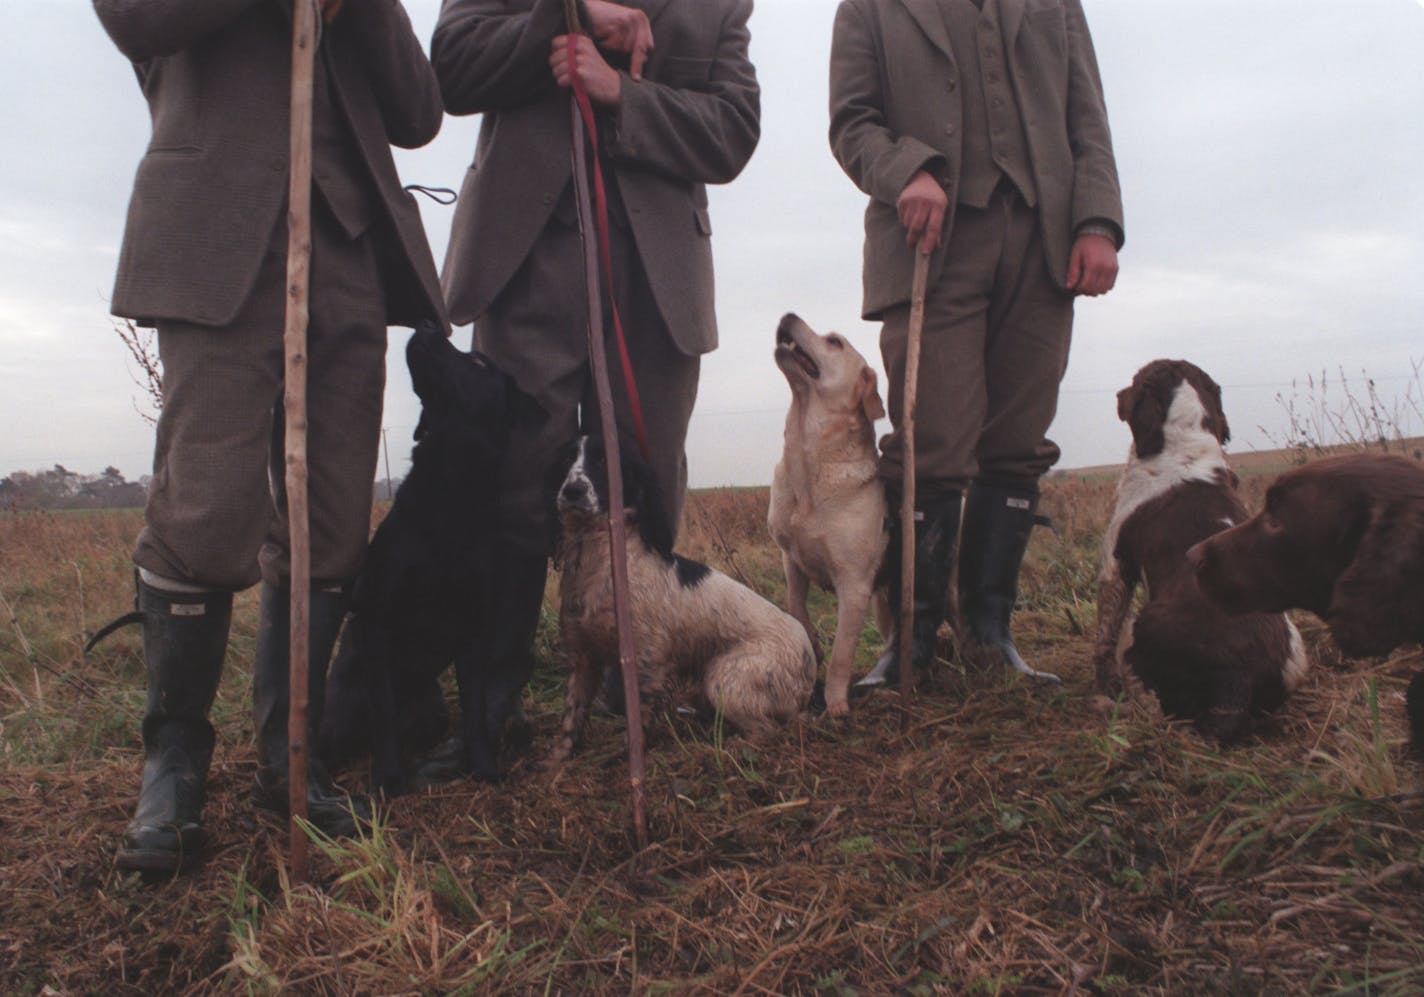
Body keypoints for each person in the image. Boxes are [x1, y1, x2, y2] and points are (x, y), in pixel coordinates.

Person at [94, 0, 449, 875]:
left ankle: (292, 753)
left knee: (332, 521)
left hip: (348, 244)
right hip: (216, 230)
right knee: (205, 511)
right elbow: (131, 17)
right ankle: (173, 765)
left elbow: (419, 111)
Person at [426, 0, 761, 767]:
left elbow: (734, 129)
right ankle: (492, 705)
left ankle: (632, 690)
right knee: (509, 481)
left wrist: (621, 93)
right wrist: (566, 14)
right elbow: (454, 64)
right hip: (523, 254)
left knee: (644, 473)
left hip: (658, 274)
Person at [828, 0, 1124, 687]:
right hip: (931, 243)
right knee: (929, 439)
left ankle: (991, 636)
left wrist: (1098, 218)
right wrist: (907, 170)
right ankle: (913, 641)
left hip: (1045, 240)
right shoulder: (867, 7)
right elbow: (851, 124)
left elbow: (1088, 116)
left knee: (1019, 441)